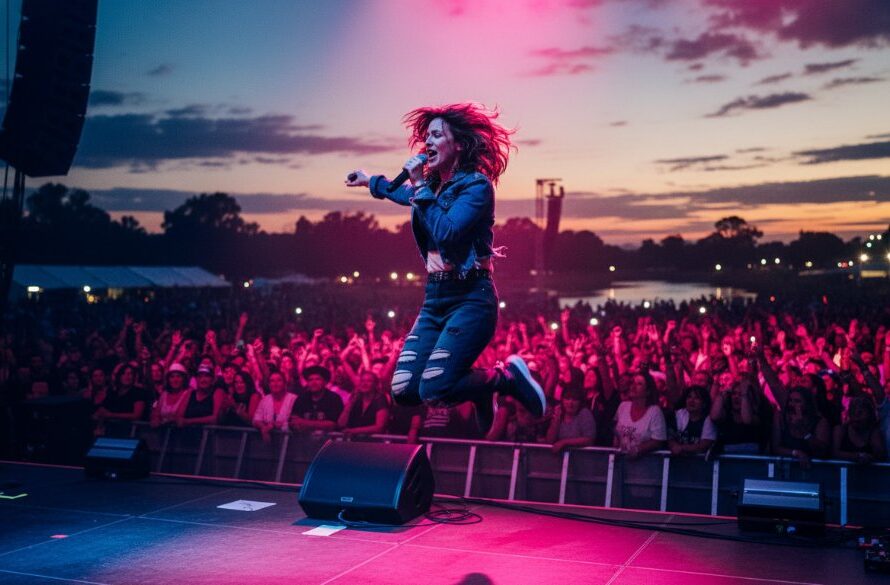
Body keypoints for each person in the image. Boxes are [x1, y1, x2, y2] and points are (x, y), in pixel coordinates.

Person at [345, 102, 546, 433]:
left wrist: (421, 189)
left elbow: (448, 232)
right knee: (404, 391)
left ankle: (503, 379)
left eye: (437, 135)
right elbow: (406, 194)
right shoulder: (431, 188)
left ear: (460, 145)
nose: (428, 142)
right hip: (435, 297)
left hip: (471, 296)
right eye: (427, 136)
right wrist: (371, 181)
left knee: (435, 388)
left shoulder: (476, 187)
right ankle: (479, 389)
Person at [289, 365, 343, 434]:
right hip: (304, 440)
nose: (313, 383)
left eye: (318, 379)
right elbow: (294, 421)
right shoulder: (301, 398)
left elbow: (332, 425)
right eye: (310, 380)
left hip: (328, 441)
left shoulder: (334, 399)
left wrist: (304, 422)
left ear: (325, 382)